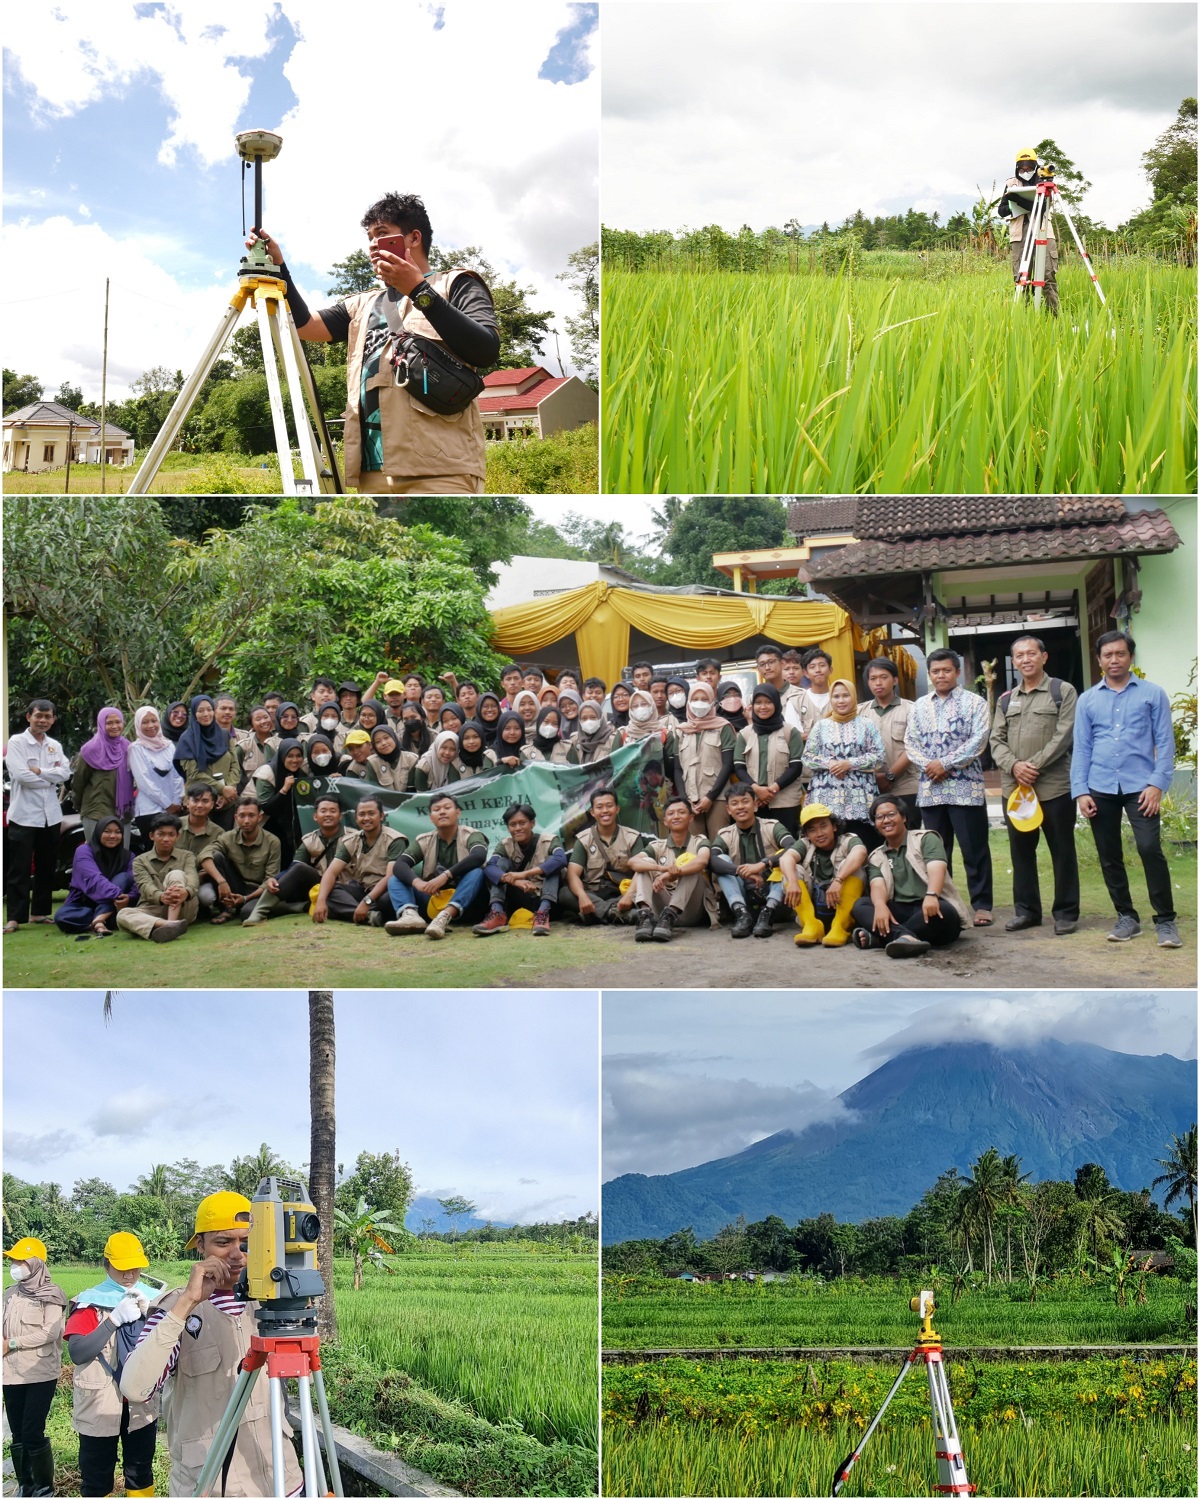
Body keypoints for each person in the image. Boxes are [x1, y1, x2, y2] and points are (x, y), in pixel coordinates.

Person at [249, 192, 499, 496]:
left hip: (442, 471)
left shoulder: (455, 284)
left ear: (413, 238)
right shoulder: (362, 305)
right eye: (369, 237)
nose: (371, 244)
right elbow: (306, 326)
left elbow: (486, 350)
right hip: (371, 473)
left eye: (381, 234)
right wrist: (280, 267)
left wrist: (419, 290)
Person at [121, 1192, 304, 1498]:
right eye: (223, 1242)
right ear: (201, 1246)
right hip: (210, 1484)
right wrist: (187, 1303)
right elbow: (136, 1388)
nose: (237, 1253)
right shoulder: (173, 1310)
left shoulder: (272, 1305)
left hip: (280, 1479)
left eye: (246, 1242)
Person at [1071, 630, 1179, 947]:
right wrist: (1081, 790)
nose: (1114, 660)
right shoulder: (1087, 700)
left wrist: (1157, 784)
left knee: (1149, 848)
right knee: (1109, 856)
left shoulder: (1152, 694)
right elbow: (1082, 748)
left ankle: (1166, 921)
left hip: (1141, 787)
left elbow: (1165, 744)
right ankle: (1127, 917)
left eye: (1120, 654)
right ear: (1099, 660)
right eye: (1108, 655)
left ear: (1130, 657)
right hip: (1100, 786)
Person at [989, 634, 1080, 935]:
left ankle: (1066, 912)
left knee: (1062, 850)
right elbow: (995, 740)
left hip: (1053, 787)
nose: (1025, 659)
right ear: (1013, 662)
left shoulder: (1062, 691)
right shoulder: (1005, 699)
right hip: (1014, 790)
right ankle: (1026, 911)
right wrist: (1015, 766)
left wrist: (1033, 766)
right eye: (1019, 655)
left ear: (1044, 657)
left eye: (1031, 653)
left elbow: (1065, 734)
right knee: (1021, 852)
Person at [64, 1231, 160, 1500]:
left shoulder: (151, 1300)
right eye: (121, 1268)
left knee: (140, 1471)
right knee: (96, 1474)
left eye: (134, 1268)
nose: (128, 1275)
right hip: (99, 1404)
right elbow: (78, 1353)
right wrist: (112, 1320)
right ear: (106, 1265)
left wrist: (150, 1315)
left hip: (140, 1403)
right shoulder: (90, 1304)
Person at [904, 649, 993, 925]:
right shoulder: (919, 706)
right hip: (931, 790)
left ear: (956, 672)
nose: (941, 675)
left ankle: (982, 905)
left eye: (946, 670)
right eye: (935, 671)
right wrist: (931, 766)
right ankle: (944, 903)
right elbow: (910, 743)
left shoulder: (975, 703)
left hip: (965, 789)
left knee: (974, 849)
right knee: (936, 851)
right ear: (929, 675)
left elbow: (979, 741)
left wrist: (945, 763)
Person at [853, 795, 968, 957]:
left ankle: (885, 938)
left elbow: (937, 868)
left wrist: (932, 895)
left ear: (904, 817)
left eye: (891, 814)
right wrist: (880, 906)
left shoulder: (926, 839)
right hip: (900, 910)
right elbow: (877, 885)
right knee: (861, 905)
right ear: (876, 824)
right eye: (879, 817)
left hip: (931, 906)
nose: (886, 820)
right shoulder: (876, 856)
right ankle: (904, 937)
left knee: (944, 910)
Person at [2, 1237, 66, 1500]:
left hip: (40, 1372)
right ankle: (25, 1487)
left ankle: (43, 1489)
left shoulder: (52, 1295)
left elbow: (50, 1334)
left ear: (36, 1264)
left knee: (31, 1430)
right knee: (17, 1432)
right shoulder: (9, 1294)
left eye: (21, 1261)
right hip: (11, 1372)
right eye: (13, 1260)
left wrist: (11, 1343)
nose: (15, 1265)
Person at [4, 699, 70, 934]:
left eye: (48, 716)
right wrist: (50, 778)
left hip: (50, 815)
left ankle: (39, 913)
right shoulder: (17, 742)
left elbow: (65, 773)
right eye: (38, 715)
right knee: (19, 868)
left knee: (47, 866)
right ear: (28, 717)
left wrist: (41, 772)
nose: (43, 720)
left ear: (53, 719)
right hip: (23, 814)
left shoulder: (54, 745)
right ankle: (14, 917)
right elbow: (22, 777)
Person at [385, 793, 488, 938]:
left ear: (458, 813)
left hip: (468, 901)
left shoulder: (471, 835)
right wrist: (418, 883)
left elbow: (479, 856)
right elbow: (400, 864)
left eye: (447, 808)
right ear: (431, 817)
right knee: (395, 879)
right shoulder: (425, 840)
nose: (442, 812)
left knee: (476, 872)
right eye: (437, 809)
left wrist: (445, 876)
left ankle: (445, 917)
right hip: (436, 898)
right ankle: (411, 916)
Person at [708, 783, 797, 938]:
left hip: (776, 897)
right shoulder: (725, 834)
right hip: (746, 897)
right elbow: (712, 861)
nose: (740, 807)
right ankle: (742, 915)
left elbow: (793, 847)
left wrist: (762, 864)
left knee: (786, 857)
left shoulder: (772, 826)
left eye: (745, 801)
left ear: (755, 804)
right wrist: (740, 872)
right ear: (728, 810)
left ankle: (768, 912)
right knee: (721, 860)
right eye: (735, 804)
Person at [245, 792, 348, 926]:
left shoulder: (353, 837)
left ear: (340, 816)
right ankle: (259, 912)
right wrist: (275, 879)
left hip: (344, 887)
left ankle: (302, 907)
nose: (328, 814)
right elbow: (294, 868)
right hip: (317, 886)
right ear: (315, 816)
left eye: (332, 811)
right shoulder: (309, 840)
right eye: (323, 811)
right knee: (246, 911)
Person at [627, 794, 718, 942]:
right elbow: (632, 862)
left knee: (693, 866)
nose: (676, 816)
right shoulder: (657, 845)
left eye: (681, 812)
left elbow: (702, 861)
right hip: (661, 910)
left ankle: (671, 914)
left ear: (691, 817)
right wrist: (660, 869)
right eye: (671, 813)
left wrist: (672, 874)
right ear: (665, 822)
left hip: (691, 910)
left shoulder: (700, 840)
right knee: (645, 863)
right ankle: (645, 916)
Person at [802, 680, 884, 842]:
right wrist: (829, 764)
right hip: (826, 796)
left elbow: (879, 756)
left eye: (845, 695)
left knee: (863, 842)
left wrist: (850, 764)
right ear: (830, 700)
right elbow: (807, 757)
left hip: (859, 797)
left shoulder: (867, 725)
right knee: (831, 843)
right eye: (836, 696)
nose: (841, 700)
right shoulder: (821, 726)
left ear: (853, 697)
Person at [779, 802, 868, 948]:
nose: (819, 833)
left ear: (834, 826)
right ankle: (811, 926)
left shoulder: (848, 839)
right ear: (807, 834)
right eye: (812, 830)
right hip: (815, 908)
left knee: (854, 868)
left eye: (824, 826)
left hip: (842, 906)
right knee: (790, 871)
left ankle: (841, 927)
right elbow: (785, 858)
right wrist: (793, 881)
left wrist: (839, 880)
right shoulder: (805, 844)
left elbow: (861, 852)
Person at [473, 802, 566, 936]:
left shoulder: (549, 840)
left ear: (532, 823)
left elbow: (561, 859)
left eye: (522, 823)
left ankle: (543, 914)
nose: (517, 828)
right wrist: (515, 881)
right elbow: (490, 867)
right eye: (512, 824)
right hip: (523, 897)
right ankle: (497, 913)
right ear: (508, 827)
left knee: (554, 864)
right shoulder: (505, 844)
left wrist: (523, 874)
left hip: (550, 901)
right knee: (500, 863)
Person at [312, 795, 406, 926]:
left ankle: (357, 912)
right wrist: (320, 901)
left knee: (387, 900)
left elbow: (390, 877)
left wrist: (367, 901)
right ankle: (368, 916)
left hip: (386, 891)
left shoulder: (395, 840)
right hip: (363, 890)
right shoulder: (351, 840)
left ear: (381, 816)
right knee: (329, 891)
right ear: (356, 819)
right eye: (361, 814)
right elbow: (331, 872)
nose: (366, 818)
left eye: (371, 813)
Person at [560, 787, 647, 924]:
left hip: (622, 893)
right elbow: (572, 874)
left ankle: (596, 914)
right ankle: (615, 914)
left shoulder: (632, 837)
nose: (605, 811)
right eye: (599, 807)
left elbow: (642, 870)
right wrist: (582, 896)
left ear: (617, 809)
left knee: (645, 889)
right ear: (592, 812)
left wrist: (629, 895)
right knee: (565, 893)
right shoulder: (584, 839)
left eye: (609, 806)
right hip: (593, 893)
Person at [734, 685, 805, 836]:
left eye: (768, 702)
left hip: (786, 801)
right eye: (758, 703)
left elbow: (796, 767)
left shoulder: (790, 732)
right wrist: (757, 790)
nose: (763, 707)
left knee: (788, 845)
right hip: (755, 802)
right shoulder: (744, 734)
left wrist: (771, 790)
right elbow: (739, 768)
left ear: (776, 703)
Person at [117, 814, 199, 943]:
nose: (166, 839)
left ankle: (171, 924)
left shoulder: (187, 856)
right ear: (151, 836)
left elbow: (193, 878)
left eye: (171, 835)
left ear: (177, 836)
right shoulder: (140, 861)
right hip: (154, 908)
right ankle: (166, 925)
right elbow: (145, 887)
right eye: (161, 834)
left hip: (184, 907)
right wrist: (161, 897)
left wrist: (186, 892)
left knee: (176, 875)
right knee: (122, 915)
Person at [199, 798, 282, 925]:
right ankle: (226, 909)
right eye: (242, 816)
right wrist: (221, 882)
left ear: (260, 817)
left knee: (246, 914)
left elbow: (269, 879)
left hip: (257, 890)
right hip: (234, 885)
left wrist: (245, 899)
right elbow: (203, 856)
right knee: (216, 857)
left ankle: (253, 907)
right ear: (236, 818)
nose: (246, 821)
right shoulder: (228, 837)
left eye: (251, 815)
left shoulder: (272, 842)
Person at [859, 658, 920, 830]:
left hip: (906, 787)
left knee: (909, 837)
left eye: (883, 677)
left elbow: (913, 747)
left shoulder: (912, 709)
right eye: (873, 678)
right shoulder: (859, 712)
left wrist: (889, 776)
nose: (878, 682)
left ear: (894, 680)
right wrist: (876, 778)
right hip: (871, 789)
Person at [670, 682, 737, 838]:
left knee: (719, 842)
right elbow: (677, 768)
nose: (699, 703)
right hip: (690, 798)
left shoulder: (723, 727)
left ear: (712, 702)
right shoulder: (681, 731)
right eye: (695, 699)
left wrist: (710, 797)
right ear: (688, 702)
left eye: (704, 699)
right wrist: (684, 799)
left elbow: (728, 765)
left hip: (718, 797)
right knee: (695, 846)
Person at [53, 815, 138, 937]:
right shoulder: (84, 851)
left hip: (117, 903)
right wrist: (118, 896)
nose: (113, 836)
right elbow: (94, 880)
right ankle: (106, 918)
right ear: (98, 833)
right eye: (107, 831)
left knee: (123, 877)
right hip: (85, 902)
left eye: (118, 832)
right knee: (62, 916)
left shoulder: (128, 856)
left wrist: (129, 897)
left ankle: (98, 921)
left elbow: (136, 881)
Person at [999, 148, 1058, 315]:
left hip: (1042, 229)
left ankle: (1053, 316)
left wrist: (1018, 200)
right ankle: (1022, 319)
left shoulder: (1043, 181)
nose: (1025, 171)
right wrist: (1014, 203)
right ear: (1017, 168)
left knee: (1048, 276)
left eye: (1029, 168)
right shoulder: (1011, 184)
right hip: (1019, 232)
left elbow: (1043, 208)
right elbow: (1001, 210)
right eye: (1022, 169)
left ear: (1035, 166)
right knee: (1021, 278)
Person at [173, 695, 239, 827]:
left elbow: (235, 766)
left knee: (223, 843)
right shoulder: (187, 739)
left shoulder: (224, 735)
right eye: (200, 710)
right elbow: (194, 774)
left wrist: (228, 793)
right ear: (194, 713)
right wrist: (221, 789)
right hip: (198, 802)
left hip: (225, 803)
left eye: (209, 709)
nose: (206, 714)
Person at [73, 706, 135, 844]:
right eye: (109, 723)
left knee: (121, 858)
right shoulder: (90, 750)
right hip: (96, 812)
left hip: (122, 814)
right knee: (97, 857)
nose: (114, 726)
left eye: (118, 722)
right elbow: (79, 783)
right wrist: (80, 807)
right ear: (101, 724)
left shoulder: (128, 748)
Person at [128, 706, 185, 849]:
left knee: (174, 852)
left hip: (174, 809)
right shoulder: (136, 749)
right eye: (145, 722)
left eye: (154, 720)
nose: (150, 725)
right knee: (154, 853)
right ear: (138, 725)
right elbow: (144, 782)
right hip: (149, 811)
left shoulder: (169, 746)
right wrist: (168, 805)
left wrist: (177, 801)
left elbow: (177, 775)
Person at [251, 739, 305, 865]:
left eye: (298, 756)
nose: (295, 760)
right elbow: (266, 808)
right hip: (266, 824)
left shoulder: (300, 772)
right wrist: (284, 790)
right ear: (282, 755)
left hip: (289, 825)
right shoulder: (266, 773)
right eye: (290, 756)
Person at [176, 783, 223, 919]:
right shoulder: (174, 826)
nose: (200, 805)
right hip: (172, 878)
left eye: (205, 801)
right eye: (195, 800)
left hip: (200, 881)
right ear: (187, 802)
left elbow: (215, 865)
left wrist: (193, 880)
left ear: (213, 804)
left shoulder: (218, 832)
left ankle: (199, 909)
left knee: (207, 897)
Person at [365, 725, 418, 790]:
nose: (383, 743)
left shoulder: (411, 759)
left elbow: (412, 791)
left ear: (394, 737)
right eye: (377, 742)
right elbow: (372, 791)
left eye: (386, 738)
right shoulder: (372, 762)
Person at [235, 705, 279, 783]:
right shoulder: (243, 746)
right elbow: (236, 774)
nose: (263, 721)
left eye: (266, 717)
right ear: (252, 725)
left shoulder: (280, 741)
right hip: (250, 793)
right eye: (258, 719)